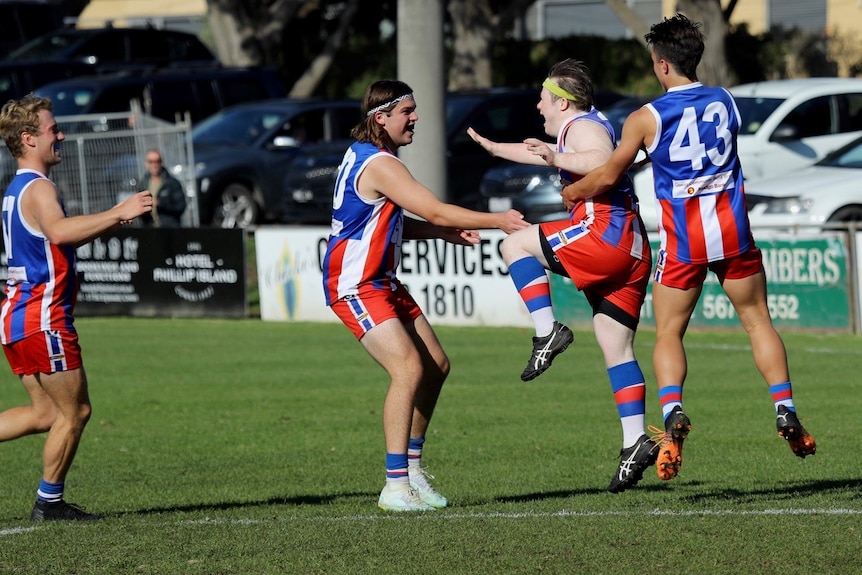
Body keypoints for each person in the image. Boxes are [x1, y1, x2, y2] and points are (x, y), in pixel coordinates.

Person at [562, 14, 817, 482]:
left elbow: (609, 173)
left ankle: (674, 413)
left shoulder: (646, 117)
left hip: (684, 243)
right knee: (758, 321)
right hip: (734, 234)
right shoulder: (726, 101)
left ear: (661, 66)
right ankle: (784, 408)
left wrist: (574, 194)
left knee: (668, 334)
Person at [322, 80, 529, 512]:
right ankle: (394, 486)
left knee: (435, 367)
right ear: (381, 118)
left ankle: (411, 471)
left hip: (381, 280)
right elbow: (432, 207)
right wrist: (498, 220)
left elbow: (381, 223)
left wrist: (438, 233)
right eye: (407, 112)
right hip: (355, 284)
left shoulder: (371, 157)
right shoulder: (380, 164)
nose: (416, 117)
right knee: (408, 368)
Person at [468, 59, 657, 493]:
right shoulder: (587, 124)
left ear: (562, 102)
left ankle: (547, 330)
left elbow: (599, 159)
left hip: (603, 231)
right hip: (633, 246)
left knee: (514, 243)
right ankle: (634, 442)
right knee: (617, 348)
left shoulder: (580, 129)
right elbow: (543, 152)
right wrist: (497, 148)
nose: (538, 106)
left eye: (542, 98)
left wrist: (555, 155)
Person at [0, 94, 153, 520]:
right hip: (41, 317)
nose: (61, 135)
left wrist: (112, 219)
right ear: (29, 139)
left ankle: (50, 502)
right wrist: (118, 210)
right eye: (53, 130)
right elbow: (60, 232)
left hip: (17, 316)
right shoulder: (40, 187)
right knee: (76, 411)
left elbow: (55, 237)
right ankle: (49, 504)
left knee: (45, 413)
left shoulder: (17, 189)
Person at [139, 148, 186, 228]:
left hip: (169, 229)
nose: (154, 165)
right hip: (149, 228)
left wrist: (160, 203)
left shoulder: (172, 183)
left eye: (157, 161)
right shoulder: (143, 184)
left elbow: (180, 206)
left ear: (161, 162)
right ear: (146, 163)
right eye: (151, 162)